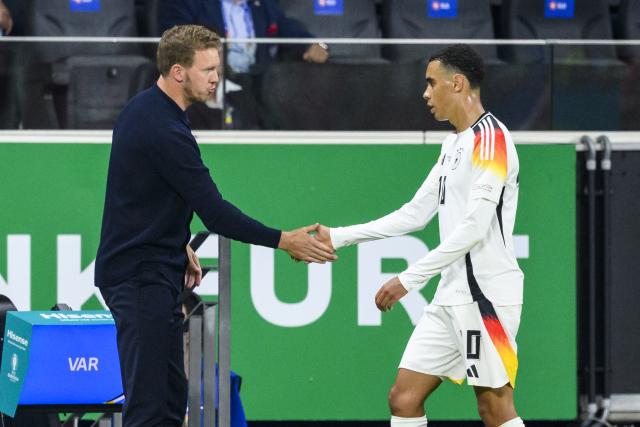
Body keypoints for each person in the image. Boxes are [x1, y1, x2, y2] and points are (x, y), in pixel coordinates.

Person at [94, 24, 336, 427]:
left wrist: (176, 241)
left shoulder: (145, 108)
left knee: (170, 404)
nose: (215, 78)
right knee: (150, 411)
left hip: (151, 268)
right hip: (140, 279)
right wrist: (283, 241)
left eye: (217, 68)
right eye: (206, 69)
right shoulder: (164, 129)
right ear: (177, 72)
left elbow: (139, 194)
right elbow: (216, 214)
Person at [315, 44, 525, 427]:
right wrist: (338, 236)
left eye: (431, 83)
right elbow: (414, 214)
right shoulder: (452, 144)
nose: (425, 93)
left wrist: (409, 279)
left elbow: (475, 228)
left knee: (494, 408)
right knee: (404, 398)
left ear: (457, 83)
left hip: (486, 297)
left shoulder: (492, 140)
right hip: (450, 295)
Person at [161, 0, 329, 129]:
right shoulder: (190, 3)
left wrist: (315, 44)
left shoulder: (263, 5)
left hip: (258, 85)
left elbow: (287, 27)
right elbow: (176, 38)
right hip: (214, 84)